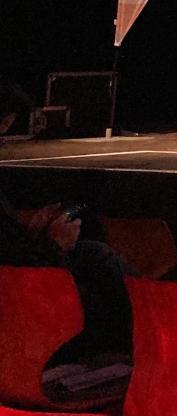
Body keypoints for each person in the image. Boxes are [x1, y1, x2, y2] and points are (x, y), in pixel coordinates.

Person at [0, 83, 135, 355]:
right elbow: (10, 259)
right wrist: (53, 244)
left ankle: (144, 328)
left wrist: (30, 226)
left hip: (25, 262)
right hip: (18, 287)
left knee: (95, 253)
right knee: (98, 279)